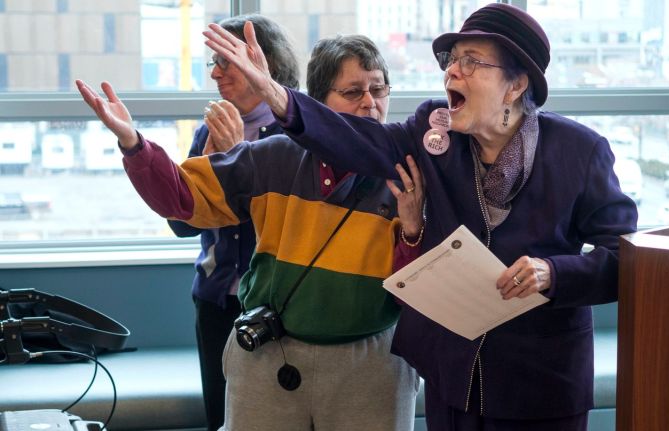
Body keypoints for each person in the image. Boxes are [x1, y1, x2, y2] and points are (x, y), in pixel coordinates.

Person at [203, 3, 639, 430]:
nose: (452, 72)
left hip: (540, 381)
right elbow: (352, 140)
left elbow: (624, 260)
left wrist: (553, 273)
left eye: (472, 61)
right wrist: (275, 94)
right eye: (452, 61)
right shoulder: (436, 132)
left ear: (516, 84)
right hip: (453, 380)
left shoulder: (579, 152)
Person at [76, 34, 420, 431]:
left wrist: (412, 230)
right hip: (271, 353)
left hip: (371, 360)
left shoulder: (408, 172)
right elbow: (183, 201)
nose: (370, 103)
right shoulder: (273, 155)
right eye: (353, 91)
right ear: (318, 104)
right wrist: (134, 143)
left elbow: (427, 277)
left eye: (379, 89)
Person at [165, 14, 300, 431]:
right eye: (213, 61)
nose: (215, 73)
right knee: (221, 419)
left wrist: (239, 158)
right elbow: (182, 225)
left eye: (226, 61)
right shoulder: (213, 126)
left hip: (283, 309)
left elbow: (291, 228)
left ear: (265, 63)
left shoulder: (300, 130)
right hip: (217, 303)